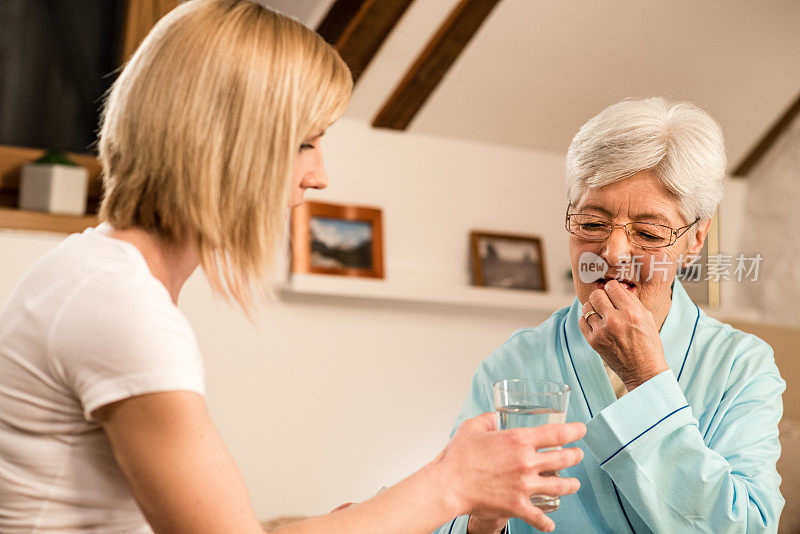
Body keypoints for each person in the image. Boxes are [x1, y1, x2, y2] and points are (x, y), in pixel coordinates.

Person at [0, 1, 587, 532]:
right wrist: (451, 483)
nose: (320, 174)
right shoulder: (119, 306)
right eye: (306, 142)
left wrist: (393, 503)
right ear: (226, 143)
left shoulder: (97, 276)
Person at [437, 97, 785, 534]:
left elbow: (750, 527)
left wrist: (646, 379)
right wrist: (483, 519)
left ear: (696, 238)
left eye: (648, 232)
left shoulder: (740, 365)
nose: (614, 253)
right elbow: (446, 515)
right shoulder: (516, 363)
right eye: (592, 224)